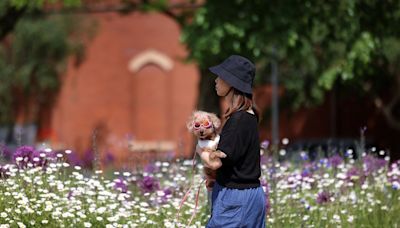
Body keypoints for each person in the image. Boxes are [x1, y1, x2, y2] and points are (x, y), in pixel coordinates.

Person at [198, 55, 266, 227]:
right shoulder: (249, 117)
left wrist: (202, 150)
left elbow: (216, 162)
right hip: (250, 196)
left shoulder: (238, 120)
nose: (216, 80)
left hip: (235, 199)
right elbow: (235, 160)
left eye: (220, 76)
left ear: (231, 83)